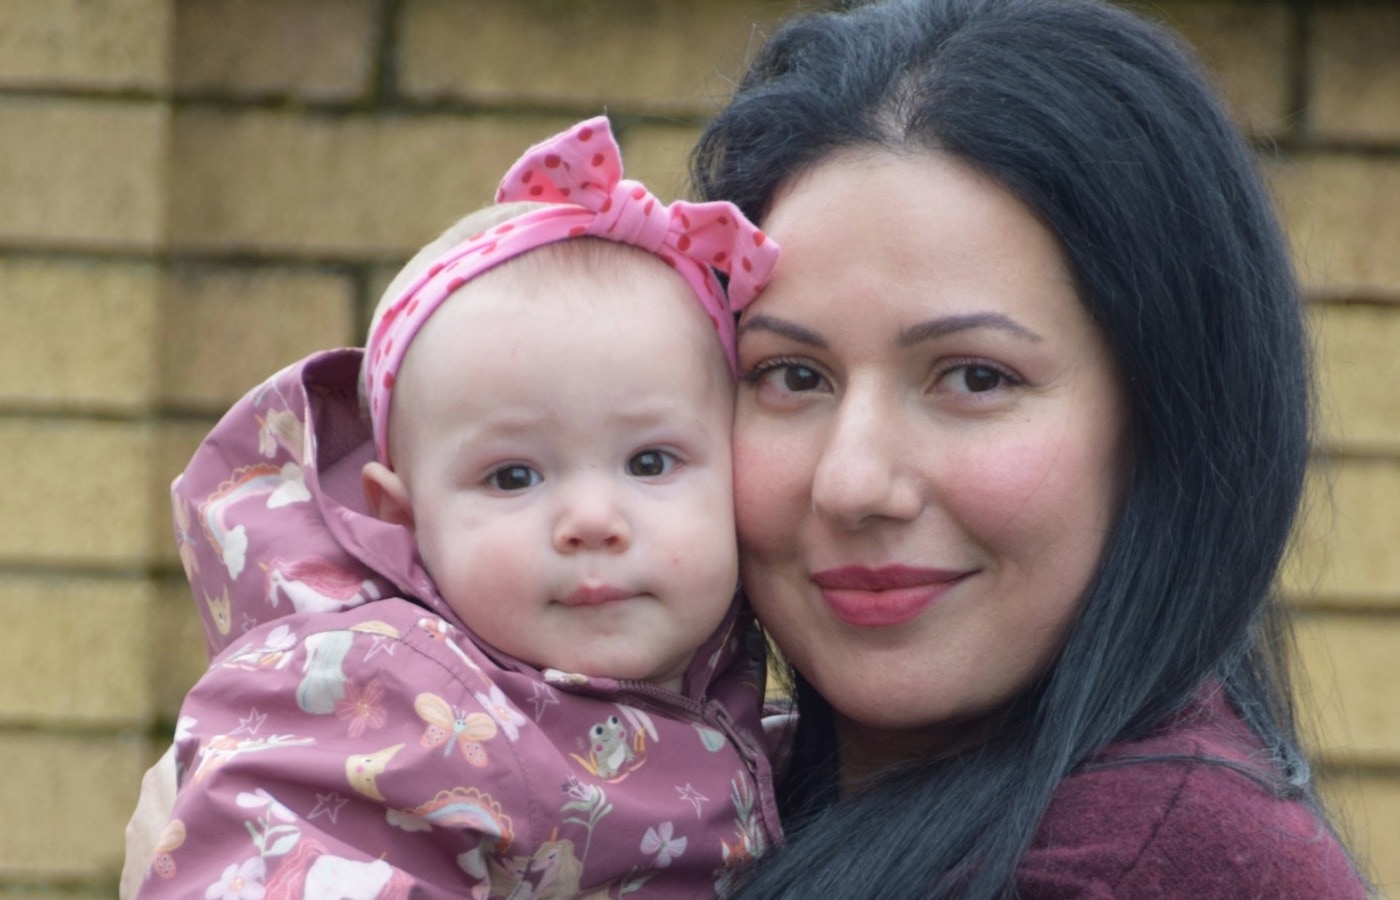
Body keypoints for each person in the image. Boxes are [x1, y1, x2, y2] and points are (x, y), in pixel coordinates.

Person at [688, 0, 1373, 896]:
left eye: (975, 378)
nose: (854, 483)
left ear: (1170, 419)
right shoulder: (671, 804)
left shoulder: (1127, 869)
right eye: (791, 376)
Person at [131, 116, 781, 898]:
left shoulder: (734, 703)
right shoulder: (388, 704)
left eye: (650, 462)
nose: (592, 520)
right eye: (513, 477)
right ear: (401, 517)